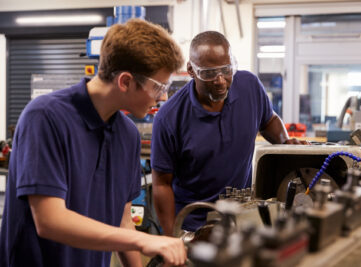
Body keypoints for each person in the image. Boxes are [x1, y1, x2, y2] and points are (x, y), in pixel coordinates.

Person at [0, 19, 187, 267]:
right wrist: (140, 241)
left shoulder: (128, 135)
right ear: (125, 81)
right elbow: (49, 220)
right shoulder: (45, 117)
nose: (163, 96)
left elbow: (123, 219)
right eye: (158, 86)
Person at [151, 31, 308, 236]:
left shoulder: (249, 86)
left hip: (242, 218)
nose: (220, 81)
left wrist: (285, 143)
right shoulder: (169, 118)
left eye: (226, 70)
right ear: (191, 70)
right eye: (209, 73)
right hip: (194, 226)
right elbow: (162, 184)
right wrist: (172, 237)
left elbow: (269, 120)